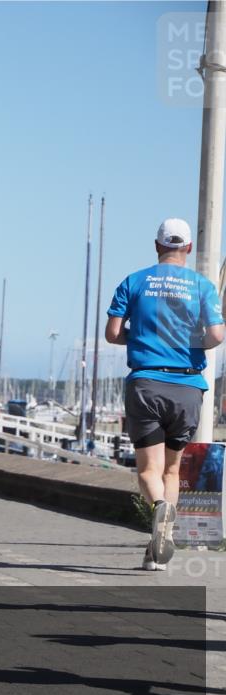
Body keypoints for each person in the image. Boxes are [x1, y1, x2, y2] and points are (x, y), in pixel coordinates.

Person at [105, 218, 224, 571]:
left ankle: (158, 508)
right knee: (172, 470)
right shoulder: (202, 286)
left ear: (157, 246)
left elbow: (113, 333)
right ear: (188, 248)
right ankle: (162, 543)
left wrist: (143, 337)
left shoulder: (134, 281)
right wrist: (189, 341)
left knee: (148, 471)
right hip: (187, 387)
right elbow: (216, 336)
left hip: (146, 384)